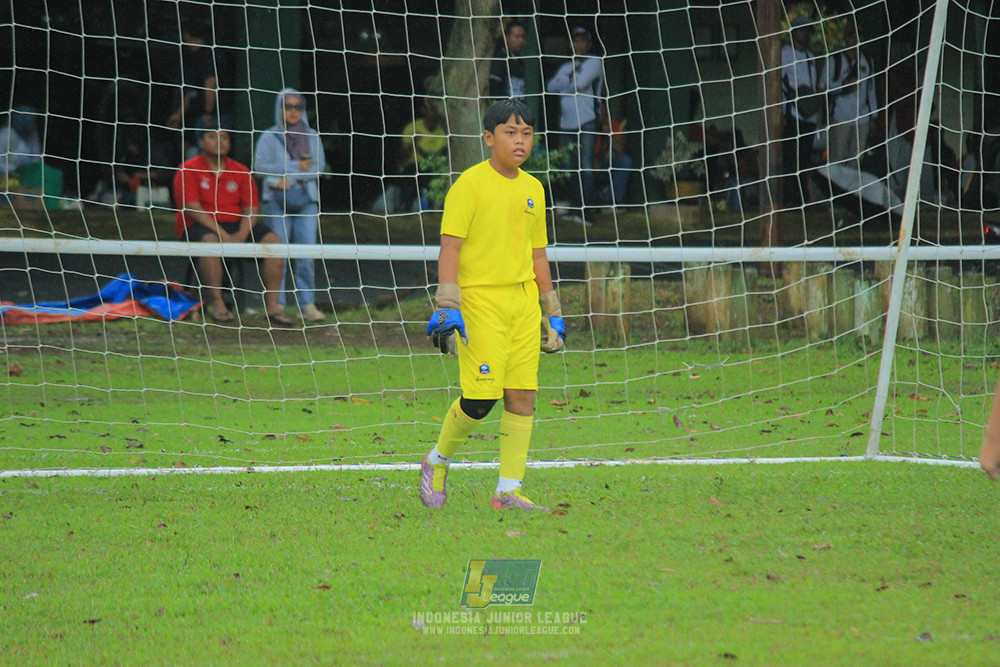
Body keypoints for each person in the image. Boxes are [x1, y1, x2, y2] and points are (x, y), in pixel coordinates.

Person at [419, 98, 566, 512]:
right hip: (480, 303)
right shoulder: (470, 184)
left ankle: (507, 491)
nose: (520, 141)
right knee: (481, 399)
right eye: (510, 132)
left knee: (522, 397)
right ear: (489, 138)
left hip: (522, 305)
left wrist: (551, 309)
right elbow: (450, 246)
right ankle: (436, 461)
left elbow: (538, 255)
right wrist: (448, 302)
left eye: (527, 133)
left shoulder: (534, 188)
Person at [173, 125, 291, 326]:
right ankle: (218, 304)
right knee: (210, 241)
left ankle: (272, 307)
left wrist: (242, 234)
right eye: (212, 137)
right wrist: (223, 235)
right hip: (201, 225)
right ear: (201, 143)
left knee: (274, 240)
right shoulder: (188, 169)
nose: (220, 141)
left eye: (225, 137)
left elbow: (251, 208)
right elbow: (193, 208)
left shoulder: (241, 170)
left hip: (236, 225)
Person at [254, 89, 327, 323]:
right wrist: (297, 167)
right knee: (279, 253)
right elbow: (259, 167)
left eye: (298, 107)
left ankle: (307, 304)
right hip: (275, 202)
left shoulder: (312, 135)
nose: (293, 111)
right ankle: (278, 304)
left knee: (307, 254)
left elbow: (318, 168)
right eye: (288, 106)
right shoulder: (268, 136)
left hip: (306, 201)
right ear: (280, 109)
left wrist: (289, 176)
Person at [546, 26, 605, 220]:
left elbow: (580, 83)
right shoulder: (565, 66)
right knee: (571, 167)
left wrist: (567, 81)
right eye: (575, 40)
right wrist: (569, 79)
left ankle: (586, 212)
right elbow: (550, 87)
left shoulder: (594, 62)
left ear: (588, 43)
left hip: (586, 121)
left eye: (582, 40)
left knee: (586, 165)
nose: (578, 44)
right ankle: (574, 209)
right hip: (566, 124)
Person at [781, 16, 824, 207]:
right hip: (792, 113)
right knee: (791, 157)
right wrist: (781, 112)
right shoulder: (785, 53)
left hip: (809, 115)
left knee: (805, 158)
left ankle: (802, 199)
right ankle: (790, 199)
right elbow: (779, 84)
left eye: (808, 31)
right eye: (803, 30)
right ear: (794, 32)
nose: (806, 34)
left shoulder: (810, 56)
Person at [824, 21, 878, 166]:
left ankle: (853, 189)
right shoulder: (834, 60)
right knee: (838, 158)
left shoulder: (867, 60)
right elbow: (823, 87)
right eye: (851, 35)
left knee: (857, 159)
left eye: (859, 35)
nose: (855, 39)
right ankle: (835, 188)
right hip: (841, 115)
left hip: (862, 117)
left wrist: (874, 116)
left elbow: (870, 90)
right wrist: (844, 87)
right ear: (844, 38)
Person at [0, 106, 65, 210]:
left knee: (51, 175)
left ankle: (48, 206)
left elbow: (36, 157)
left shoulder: (31, 134)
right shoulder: (6, 134)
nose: (34, 125)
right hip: (7, 175)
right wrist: (13, 170)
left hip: (26, 173)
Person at [489, 20, 528, 99]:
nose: (520, 41)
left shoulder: (520, 60)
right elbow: (495, 89)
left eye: (523, 37)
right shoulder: (501, 58)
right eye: (517, 36)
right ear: (507, 37)